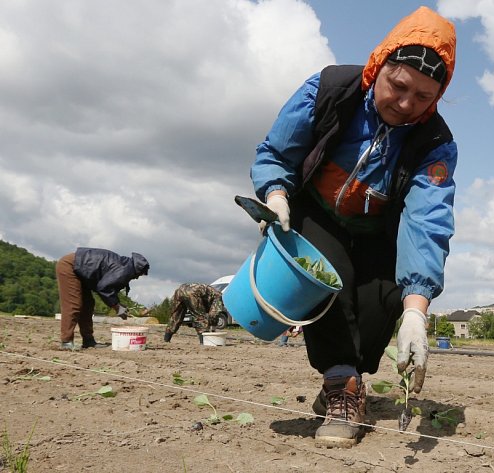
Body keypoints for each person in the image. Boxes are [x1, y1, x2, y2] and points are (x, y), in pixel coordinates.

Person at [250, 6, 457, 447]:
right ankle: (341, 384)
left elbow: (426, 220)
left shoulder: (434, 143)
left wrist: (417, 311)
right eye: (398, 87)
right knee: (330, 279)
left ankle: (350, 378)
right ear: (378, 65)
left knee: (383, 303)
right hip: (315, 215)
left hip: (377, 230)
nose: (406, 105)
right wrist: (275, 194)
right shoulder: (329, 90)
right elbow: (277, 152)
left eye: (423, 97)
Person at [56, 247, 150, 350]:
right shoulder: (125, 269)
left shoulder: (125, 265)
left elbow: (108, 287)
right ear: (138, 270)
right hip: (70, 266)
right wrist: (117, 307)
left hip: (80, 271)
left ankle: (88, 341)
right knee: (74, 304)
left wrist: (117, 304)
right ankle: (66, 341)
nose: (137, 278)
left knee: (88, 305)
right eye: (140, 274)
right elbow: (104, 288)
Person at [163, 283, 228, 344]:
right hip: (193, 292)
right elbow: (214, 314)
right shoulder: (219, 296)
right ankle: (204, 342)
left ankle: (166, 339)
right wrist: (213, 330)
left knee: (175, 316)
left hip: (180, 290)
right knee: (200, 317)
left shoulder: (213, 292)